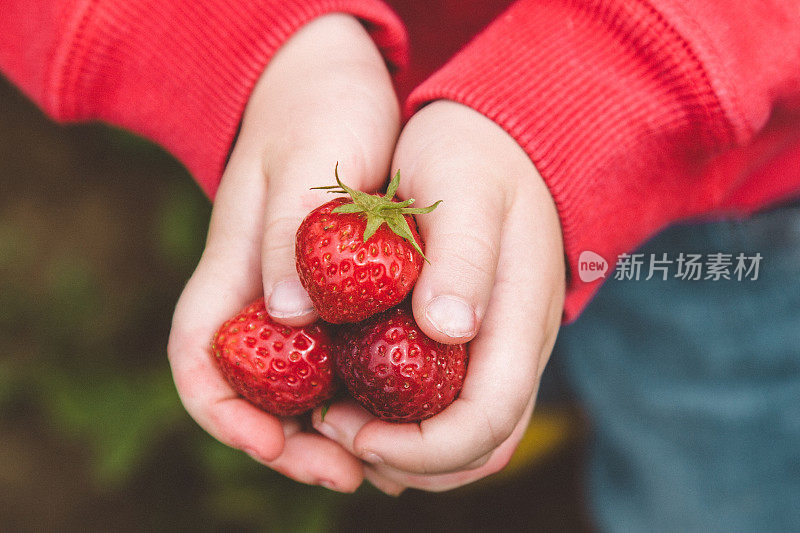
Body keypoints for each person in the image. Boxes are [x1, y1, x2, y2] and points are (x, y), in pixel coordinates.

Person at [2, 0, 799, 529]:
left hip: (728, 213)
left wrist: (605, 82)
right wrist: (255, 38)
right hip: (387, 167)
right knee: (472, 339)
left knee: (713, 471)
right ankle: (528, 401)